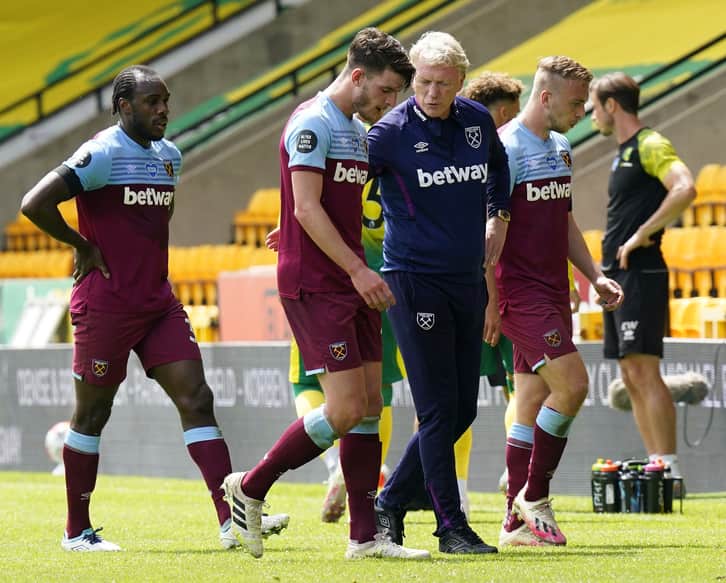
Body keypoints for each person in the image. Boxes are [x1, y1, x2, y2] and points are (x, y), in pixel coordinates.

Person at [19, 65, 288, 552]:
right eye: (152, 103)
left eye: (166, 100)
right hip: (106, 304)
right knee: (93, 414)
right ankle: (77, 531)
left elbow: (147, 225)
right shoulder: (101, 153)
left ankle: (232, 521)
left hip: (157, 303)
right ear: (124, 107)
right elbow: (34, 203)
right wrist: (81, 244)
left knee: (197, 398)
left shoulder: (170, 157)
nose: (164, 110)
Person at [222, 28, 430, 560]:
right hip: (321, 283)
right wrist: (356, 270)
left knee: (367, 404)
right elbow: (307, 207)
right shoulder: (313, 123)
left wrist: (289, 227)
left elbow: (313, 203)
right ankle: (249, 487)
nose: (388, 104)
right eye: (385, 92)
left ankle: (364, 538)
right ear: (357, 76)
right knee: (342, 409)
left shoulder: (354, 130)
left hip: (347, 277)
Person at [368, 31, 511, 555]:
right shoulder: (387, 133)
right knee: (435, 408)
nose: (431, 93)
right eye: (423, 82)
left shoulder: (475, 121)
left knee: (463, 411)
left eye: (443, 84)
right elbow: (343, 186)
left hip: (466, 278)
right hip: (413, 278)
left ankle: (389, 502)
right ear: (412, 79)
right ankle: (451, 526)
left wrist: (499, 216)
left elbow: (499, 168)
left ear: (460, 83)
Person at [495, 56, 624, 548]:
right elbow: (491, 231)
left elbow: (563, 219)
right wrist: (490, 300)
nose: (581, 113)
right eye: (575, 104)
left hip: (551, 289)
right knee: (572, 385)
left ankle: (513, 525)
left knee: (529, 401)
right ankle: (535, 495)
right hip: (520, 292)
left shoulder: (562, 147)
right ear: (545, 97)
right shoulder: (505, 150)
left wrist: (592, 274)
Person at [266, 173, 400, 524]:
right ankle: (365, 519)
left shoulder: (340, 134)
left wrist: (298, 234)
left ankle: (327, 469)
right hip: (385, 273)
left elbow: (310, 205)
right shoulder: (394, 136)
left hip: (332, 272)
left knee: (308, 383)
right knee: (375, 392)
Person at [590, 72, 695, 483]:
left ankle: (669, 468)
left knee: (645, 371)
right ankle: (656, 464)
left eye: (595, 107)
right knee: (629, 372)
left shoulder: (650, 144)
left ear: (612, 105)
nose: (592, 115)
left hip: (643, 273)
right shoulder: (621, 153)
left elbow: (685, 188)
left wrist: (641, 234)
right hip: (618, 277)